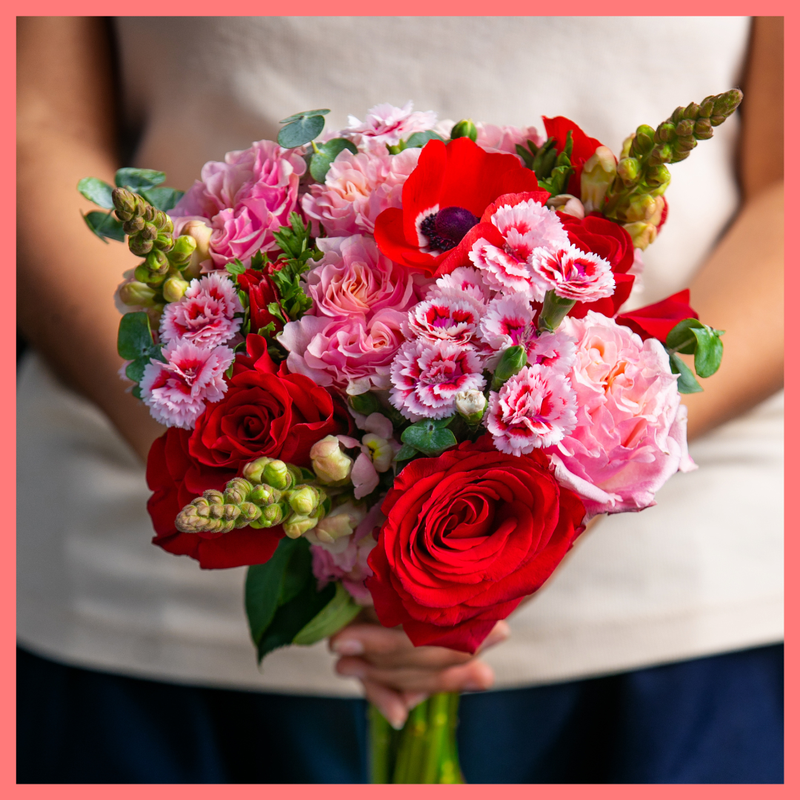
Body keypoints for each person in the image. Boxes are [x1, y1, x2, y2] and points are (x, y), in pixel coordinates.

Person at [17, 16, 783, 783]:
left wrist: (571, 479)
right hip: (142, 626)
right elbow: (32, 130)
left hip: (677, 620)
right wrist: (227, 451)